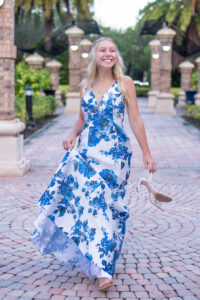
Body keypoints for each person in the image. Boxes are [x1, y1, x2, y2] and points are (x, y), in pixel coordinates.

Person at [30, 36, 156, 291]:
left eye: (111, 50)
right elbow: (82, 119)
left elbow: (135, 120)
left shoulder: (125, 84)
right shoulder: (85, 85)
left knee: (109, 206)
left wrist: (146, 153)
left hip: (116, 156)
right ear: (95, 55)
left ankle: (102, 260)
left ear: (116, 56)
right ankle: (102, 270)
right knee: (92, 202)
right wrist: (71, 135)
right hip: (87, 153)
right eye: (102, 50)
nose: (107, 54)